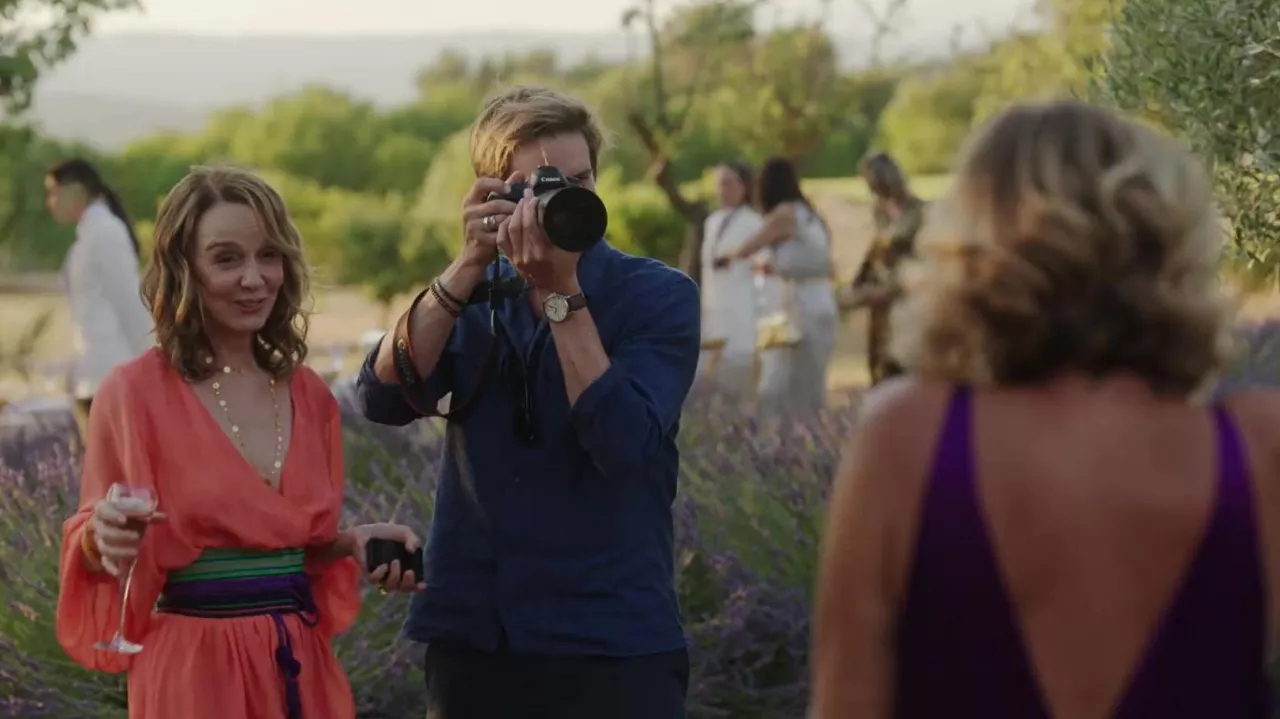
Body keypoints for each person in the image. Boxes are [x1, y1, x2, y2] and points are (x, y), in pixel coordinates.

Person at [812, 100, 1276, 718]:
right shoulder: (1258, 443)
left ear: (969, 244)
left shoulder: (906, 435)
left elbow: (847, 704)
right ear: (1166, 236)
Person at [355, 84, 700, 719]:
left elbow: (623, 443)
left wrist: (562, 294)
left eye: (578, 180)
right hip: (478, 634)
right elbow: (381, 397)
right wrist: (464, 268)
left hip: (611, 635)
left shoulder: (657, 296)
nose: (560, 201)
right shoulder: (472, 296)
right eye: (536, 185)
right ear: (491, 193)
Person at [56, 166, 423, 719]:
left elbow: (292, 551)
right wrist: (95, 537)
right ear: (185, 269)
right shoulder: (132, 393)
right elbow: (94, 533)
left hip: (299, 666)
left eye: (268, 255)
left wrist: (350, 542)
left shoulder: (311, 395)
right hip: (192, 674)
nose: (254, 278)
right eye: (227, 258)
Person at [720, 156, 837, 416]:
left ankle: (784, 444)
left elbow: (748, 247)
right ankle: (808, 442)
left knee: (781, 383)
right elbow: (814, 262)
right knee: (810, 383)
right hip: (821, 300)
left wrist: (724, 257)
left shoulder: (783, 215)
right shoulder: (808, 214)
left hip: (801, 307)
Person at [45, 158, 152, 437]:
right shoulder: (88, 236)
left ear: (77, 191)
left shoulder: (106, 232)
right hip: (92, 376)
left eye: (53, 192)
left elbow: (130, 306)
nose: (51, 202)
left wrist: (152, 372)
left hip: (112, 377)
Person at [845, 152, 924, 385]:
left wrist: (894, 287)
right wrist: (857, 284)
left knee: (904, 363)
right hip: (880, 301)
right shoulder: (879, 212)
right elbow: (874, 251)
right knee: (879, 363)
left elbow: (923, 258)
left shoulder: (918, 213)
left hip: (907, 297)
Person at [699, 160, 765, 390]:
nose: (722, 190)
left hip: (742, 317)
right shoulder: (712, 222)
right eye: (719, 184)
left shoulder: (754, 223)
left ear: (743, 186)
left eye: (728, 183)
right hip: (713, 312)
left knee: (737, 386)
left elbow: (763, 268)